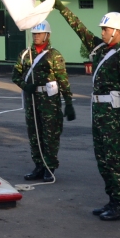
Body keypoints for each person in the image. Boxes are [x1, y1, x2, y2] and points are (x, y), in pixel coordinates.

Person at [53, 0, 120, 221]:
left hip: (113, 114)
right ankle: (112, 199)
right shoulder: (100, 49)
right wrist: (61, 7)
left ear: (117, 31)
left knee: (115, 159)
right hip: (99, 113)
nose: (102, 31)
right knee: (102, 158)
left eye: (106, 28)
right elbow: (79, 28)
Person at [12, 21, 74, 183]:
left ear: (47, 35)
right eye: (34, 34)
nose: (36, 37)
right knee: (34, 134)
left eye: (39, 34)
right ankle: (38, 165)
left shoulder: (54, 55)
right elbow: (15, 75)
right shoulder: (25, 55)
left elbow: (63, 79)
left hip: (49, 101)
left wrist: (68, 101)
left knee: (50, 134)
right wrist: (26, 85)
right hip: (31, 99)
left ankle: (49, 167)